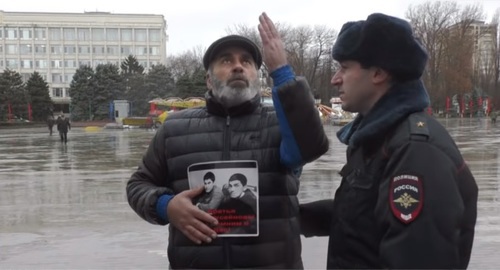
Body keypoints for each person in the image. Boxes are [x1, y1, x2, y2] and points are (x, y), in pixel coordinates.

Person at [126, 12, 329, 269]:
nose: (237, 66)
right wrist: (167, 206)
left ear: (257, 75)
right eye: (226, 60)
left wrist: (282, 72)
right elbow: (138, 185)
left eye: (247, 61)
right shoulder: (174, 129)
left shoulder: (280, 124)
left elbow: (311, 146)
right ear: (209, 80)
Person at [299, 13, 478, 269]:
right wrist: (291, 217)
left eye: (344, 67)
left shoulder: (416, 152)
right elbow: (361, 217)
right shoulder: (377, 140)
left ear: (379, 73)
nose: (334, 78)